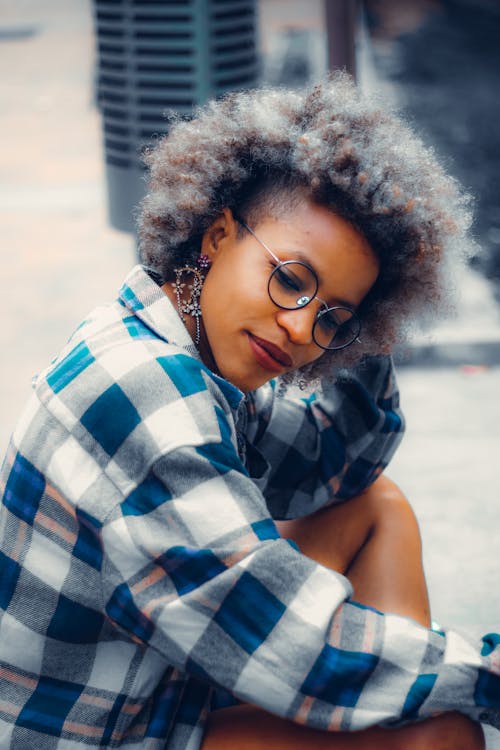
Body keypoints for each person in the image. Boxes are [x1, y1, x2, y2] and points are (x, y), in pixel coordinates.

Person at [0, 74, 498, 750]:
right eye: (291, 279)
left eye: (331, 317)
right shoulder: (147, 395)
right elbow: (295, 646)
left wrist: (368, 333)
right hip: (94, 734)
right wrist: (485, 674)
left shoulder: (171, 340)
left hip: (151, 686)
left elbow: (335, 467)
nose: (299, 329)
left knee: (375, 507)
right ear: (215, 234)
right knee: (441, 734)